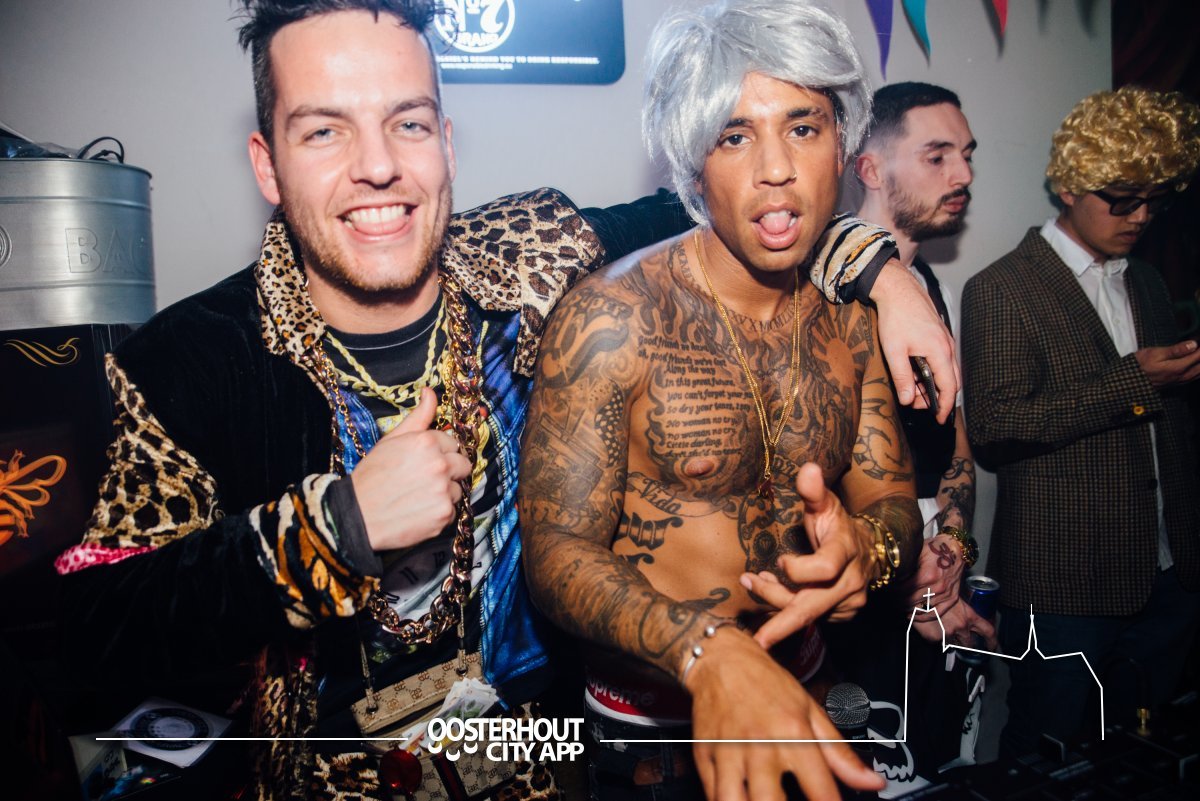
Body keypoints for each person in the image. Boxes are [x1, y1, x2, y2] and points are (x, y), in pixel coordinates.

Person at [51, 1, 955, 799]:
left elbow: (728, 207)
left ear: (446, 142)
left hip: (536, 754)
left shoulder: (528, 254)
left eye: (407, 123)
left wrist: (882, 272)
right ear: (268, 163)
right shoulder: (188, 363)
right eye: (324, 131)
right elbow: (87, 629)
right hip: (330, 771)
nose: (377, 167)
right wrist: (334, 528)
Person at [519, 2, 923, 799]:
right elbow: (555, 552)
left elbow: (892, 499)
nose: (776, 168)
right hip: (650, 740)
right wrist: (705, 649)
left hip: (809, 694)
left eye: (802, 127)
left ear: (843, 144)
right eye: (734, 136)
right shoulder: (613, 319)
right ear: (692, 163)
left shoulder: (851, 319)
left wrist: (866, 552)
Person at [962, 86, 1200, 758]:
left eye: (1155, 199)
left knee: (1142, 755)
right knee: (1049, 757)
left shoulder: (1146, 281)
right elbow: (996, 428)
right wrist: (1136, 382)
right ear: (1069, 185)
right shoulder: (1002, 287)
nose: (1140, 215)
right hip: (1065, 584)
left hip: (1169, 574)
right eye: (1121, 199)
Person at [831, 81, 996, 789]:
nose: (963, 174)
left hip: (931, 584)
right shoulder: (821, 294)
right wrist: (899, 572)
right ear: (870, 169)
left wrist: (954, 546)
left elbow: (955, 441)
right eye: (937, 156)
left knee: (937, 767)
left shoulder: (930, 285)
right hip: (856, 598)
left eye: (966, 154)